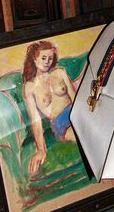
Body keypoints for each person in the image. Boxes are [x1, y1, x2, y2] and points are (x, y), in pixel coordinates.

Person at [22, 40, 77, 176]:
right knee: (80, 136)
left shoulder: (60, 72)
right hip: (60, 122)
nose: (47, 62)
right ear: (34, 59)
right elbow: (36, 121)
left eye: (50, 58)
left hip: (74, 112)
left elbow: (75, 98)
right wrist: (41, 149)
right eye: (43, 58)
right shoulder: (30, 87)